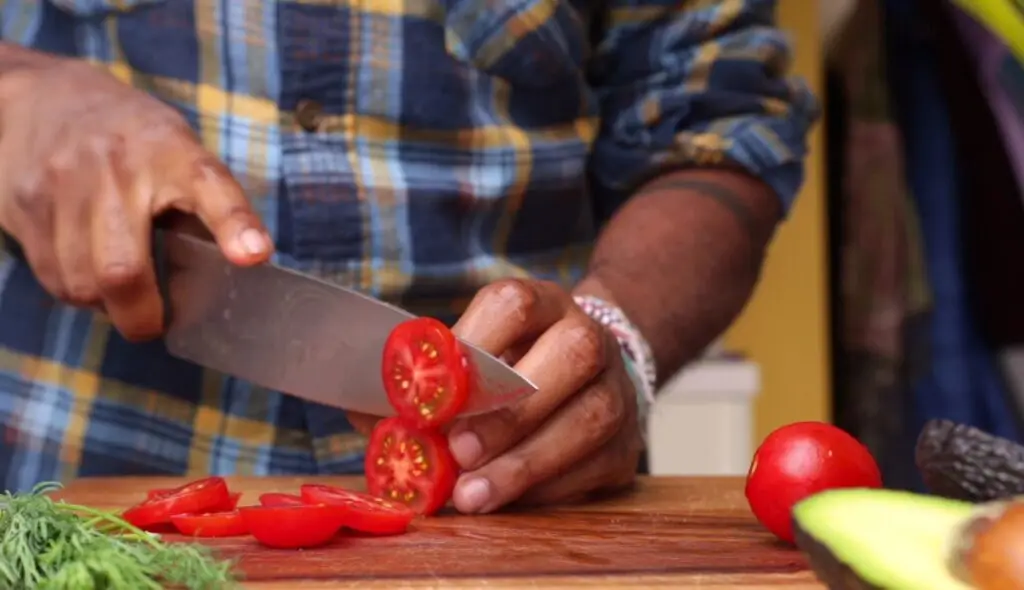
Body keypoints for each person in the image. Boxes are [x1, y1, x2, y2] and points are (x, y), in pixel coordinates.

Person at [0, 0, 817, 513]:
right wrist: (19, 98)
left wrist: (618, 336)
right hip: (70, 491)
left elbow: (717, 130)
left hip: (513, 507)